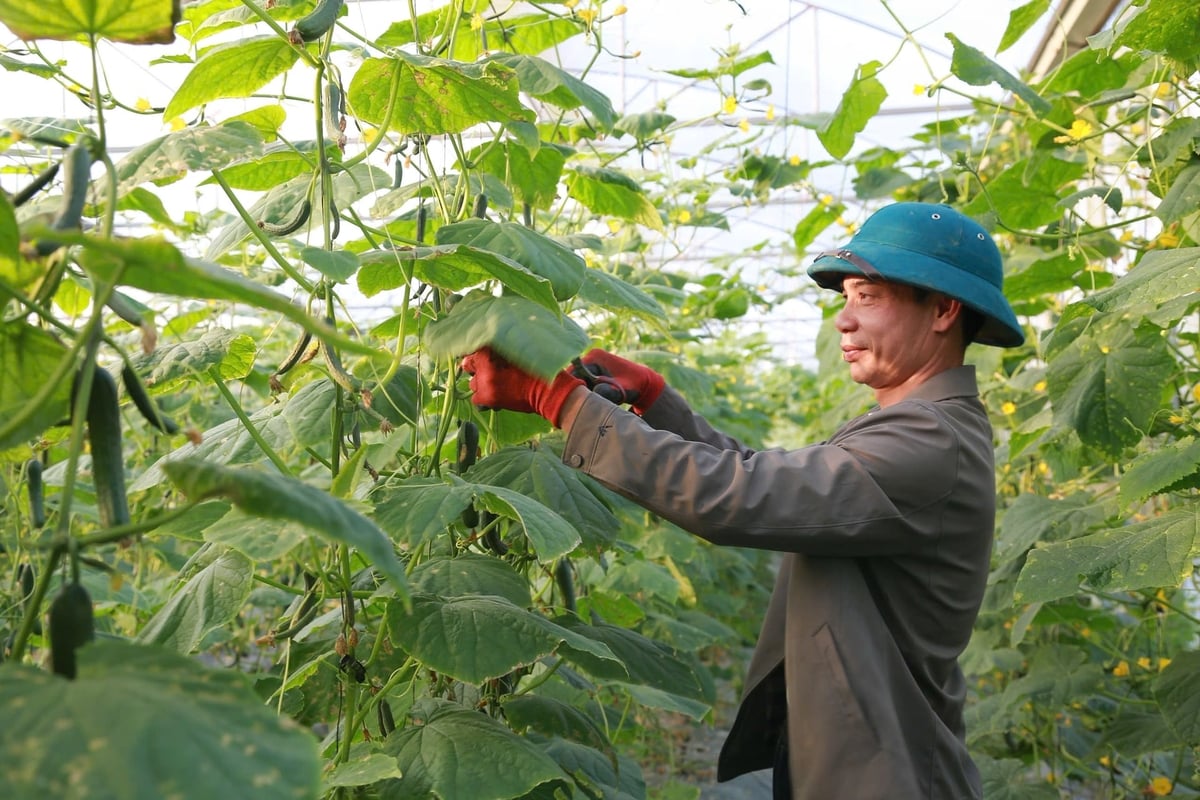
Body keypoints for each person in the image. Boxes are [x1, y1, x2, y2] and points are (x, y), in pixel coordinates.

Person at [461, 202, 1025, 799]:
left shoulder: (928, 441)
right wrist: (656, 401)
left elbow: (740, 495)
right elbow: (769, 480)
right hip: (858, 757)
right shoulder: (918, 427)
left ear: (943, 310)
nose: (844, 322)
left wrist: (561, 401)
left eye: (867, 296)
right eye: (846, 299)